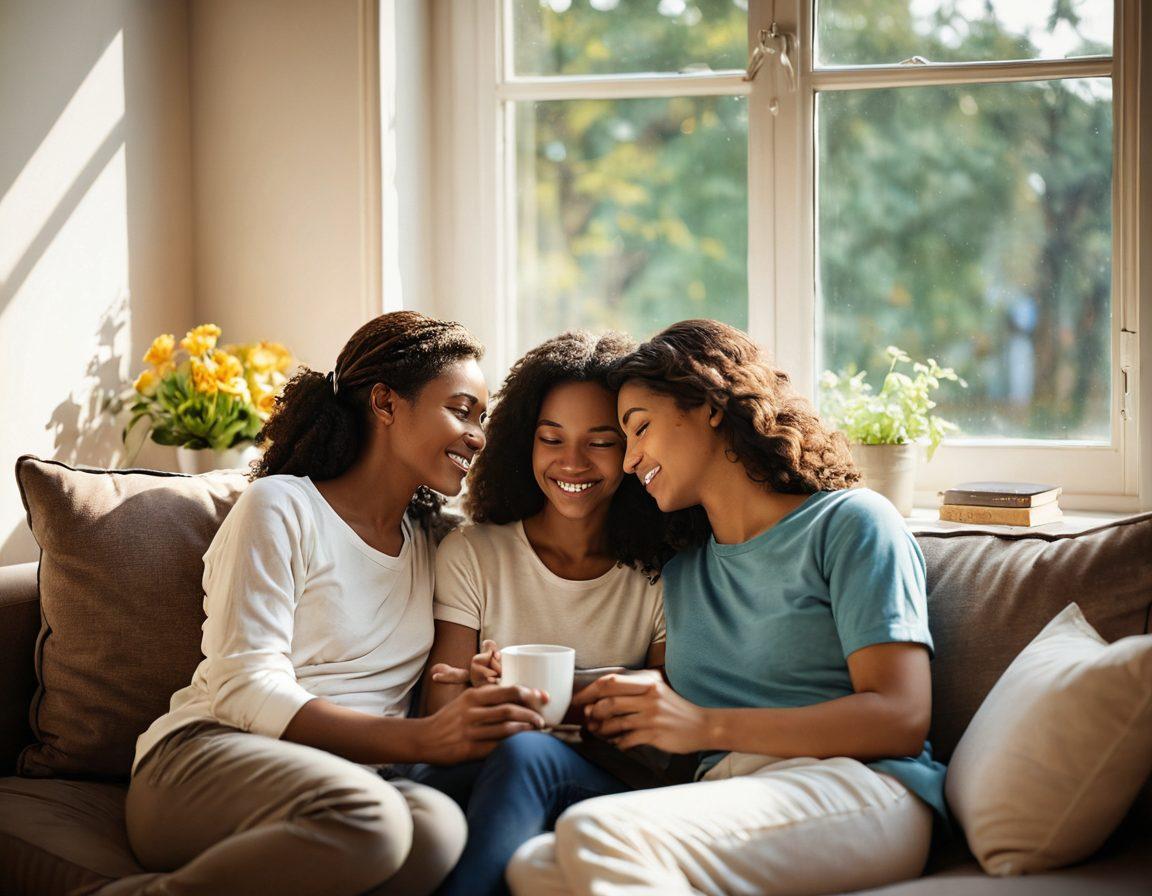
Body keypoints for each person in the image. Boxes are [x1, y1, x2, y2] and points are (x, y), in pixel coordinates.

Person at [508, 319, 947, 896]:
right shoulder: (683, 570)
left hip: (861, 787)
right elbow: (668, 705)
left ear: (709, 405)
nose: (631, 460)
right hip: (729, 797)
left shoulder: (850, 523)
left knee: (595, 832)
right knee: (536, 866)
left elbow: (901, 718)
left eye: (639, 428)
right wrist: (524, 692)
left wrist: (703, 726)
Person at [119, 312, 548, 896]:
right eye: (461, 410)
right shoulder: (281, 507)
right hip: (205, 761)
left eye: (482, 419)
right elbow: (243, 687)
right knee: (376, 819)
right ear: (385, 402)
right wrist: (423, 739)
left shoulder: (436, 540)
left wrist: (472, 678)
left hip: (353, 783)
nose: (477, 436)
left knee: (438, 831)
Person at [412, 331, 670, 896]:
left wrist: (557, 706)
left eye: (600, 442)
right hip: (481, 766)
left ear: (632, 450)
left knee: (528, 753)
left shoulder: (658, 573)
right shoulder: (474, 552)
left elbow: (660, 730)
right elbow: (442, 710)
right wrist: (481, 695)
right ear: (523, 443)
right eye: (551, 438)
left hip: (603, 782)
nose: (571, 461)